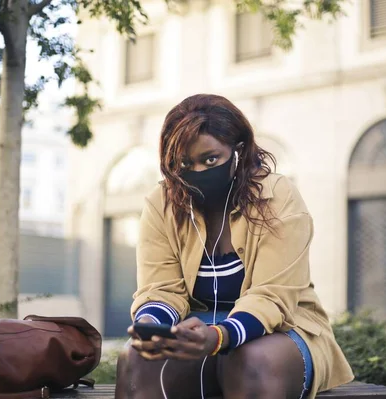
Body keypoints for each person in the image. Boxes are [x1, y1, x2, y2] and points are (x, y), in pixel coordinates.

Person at [116, 94, 353, 399]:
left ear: (238, 151)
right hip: (195, 326)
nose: (198, 171)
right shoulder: (161, 203)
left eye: (211, 159)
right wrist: (150, 327)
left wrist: (219, 336)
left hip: (281, 328)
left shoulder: (278, 196)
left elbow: (272, 296)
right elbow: (160, 289)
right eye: (186, 163)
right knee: (135, 359)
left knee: (252, 361)